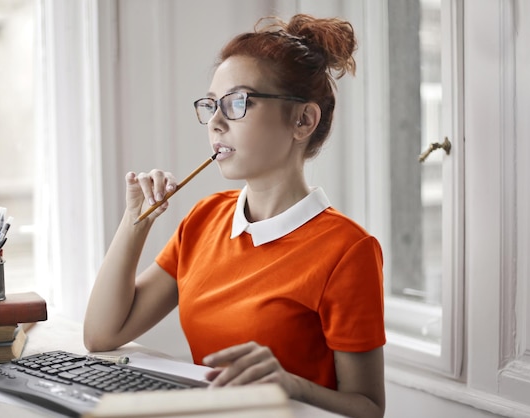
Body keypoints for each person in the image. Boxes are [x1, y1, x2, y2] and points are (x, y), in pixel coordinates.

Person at [84, 13, 385, 418]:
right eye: (211, 105)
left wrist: (292, 386)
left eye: (237, 103)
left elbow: (368, 408)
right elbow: (102, 335)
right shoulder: (205, 218)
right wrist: (134, 222)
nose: (215, 122)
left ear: (303, 120)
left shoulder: (349, 250)